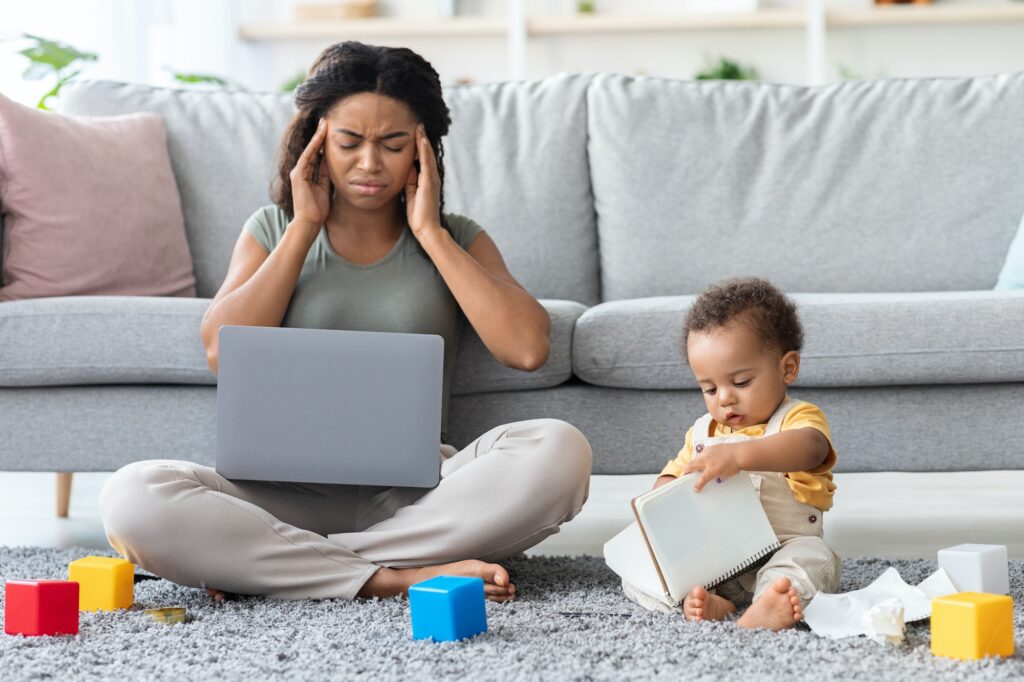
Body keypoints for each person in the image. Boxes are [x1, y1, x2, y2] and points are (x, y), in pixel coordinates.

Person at [99, 42, 592, 603]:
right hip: (276, 494)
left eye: (393, 144)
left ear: (423, 150)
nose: (369, 164)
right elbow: (221, 351)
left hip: (417, 496)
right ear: (317, 142)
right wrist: (303, 224)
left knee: (561, 450)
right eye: (349, 142)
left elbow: (527, 348)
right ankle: (391, 577)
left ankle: (285, 564)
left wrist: (429, 233)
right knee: (131, 495)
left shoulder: (456, 235)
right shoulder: (272, 228)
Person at [621, 277, 840, 630]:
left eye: (740, 382)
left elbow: (810, 449)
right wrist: (661, 500)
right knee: (639, 575)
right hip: (717, 560)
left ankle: (772, 601)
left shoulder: (797, 419)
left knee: (817, 561)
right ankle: (709, 604)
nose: (724, 398)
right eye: (709, 388)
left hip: (782, 550)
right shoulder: (702, 432)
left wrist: (738, 456)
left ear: (787, 368)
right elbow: (672, 476)